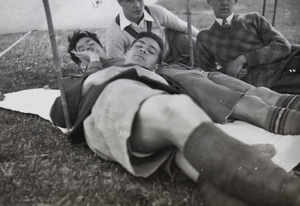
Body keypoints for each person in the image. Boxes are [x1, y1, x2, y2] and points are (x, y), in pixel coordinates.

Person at [50, 32, 300, 206]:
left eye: (150, 51)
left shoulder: (160, 77)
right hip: (116, 105)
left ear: (156, 63)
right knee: (174, 110)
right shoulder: (96, 75)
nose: (143, 51)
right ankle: (287, 190)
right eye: (138, 47)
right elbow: (60, 112)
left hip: (155, 129)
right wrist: (93, 67)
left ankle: (234, 166)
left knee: (203, 171)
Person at [66, 30, 300, 136]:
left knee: (258, 91)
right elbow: (88, 89)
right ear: (77, 57)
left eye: (92, 44)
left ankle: (290, 104)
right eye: (84, 49)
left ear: (100, 43)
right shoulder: (92, 73)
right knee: (246, 102)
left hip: (185, 68)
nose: (90, 49)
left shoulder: (121, 52)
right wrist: (93, 61)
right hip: (174, 76)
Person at [196, 0, 300, 94]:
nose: (224, 3)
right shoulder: (205, 37)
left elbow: (283, 46)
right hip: (265, 83)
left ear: (235, 1)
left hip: (287, 64)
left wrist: (244, 59)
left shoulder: (253, 19)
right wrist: (229, 72)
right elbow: (206, 74)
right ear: (209, 1)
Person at [106, 0, 199, 64]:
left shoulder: (155, 11)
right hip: (152, 62)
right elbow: (115, 63)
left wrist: (203, 40)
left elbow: (185, 27)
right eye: (130, 1)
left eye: (140, 0)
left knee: (198, 45)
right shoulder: (115, 32)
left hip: (172, 44)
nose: (137, 5)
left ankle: (210, 69)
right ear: (120, 3)